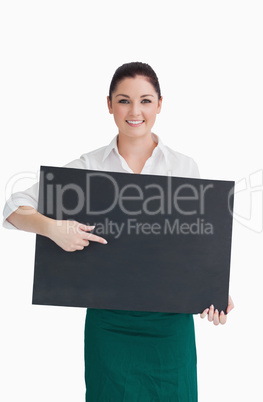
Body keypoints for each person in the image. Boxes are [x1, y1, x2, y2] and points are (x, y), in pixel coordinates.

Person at [3, 62, 234, 401]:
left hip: (169, 326)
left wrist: (213, 290)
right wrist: (53, 228)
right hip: (109, 324)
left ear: (159, 104)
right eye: (124, 100)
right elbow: (12, 208)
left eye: (145, 100)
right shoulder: (87, 167)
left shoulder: (184, 167)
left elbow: (197, 243)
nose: (135, 111)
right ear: (109, 105)